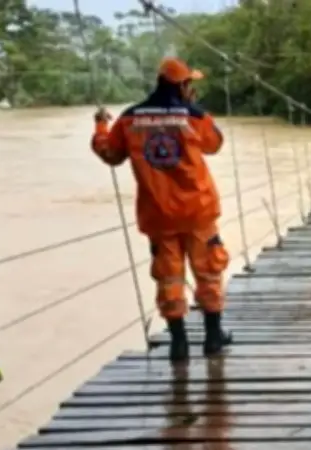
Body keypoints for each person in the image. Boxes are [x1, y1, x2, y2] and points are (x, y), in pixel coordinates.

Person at [91, 57, 232, 362]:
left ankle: (179, 342)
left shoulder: (129, 119)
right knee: (208, 273)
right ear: (182, 85)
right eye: (190, 84)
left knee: (169, 279)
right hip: (198, 211)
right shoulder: (194, 117)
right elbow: (215, 144)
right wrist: (196, 109)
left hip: (158, 214)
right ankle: (213, 337)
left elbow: (110, 154)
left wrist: (101, 125)